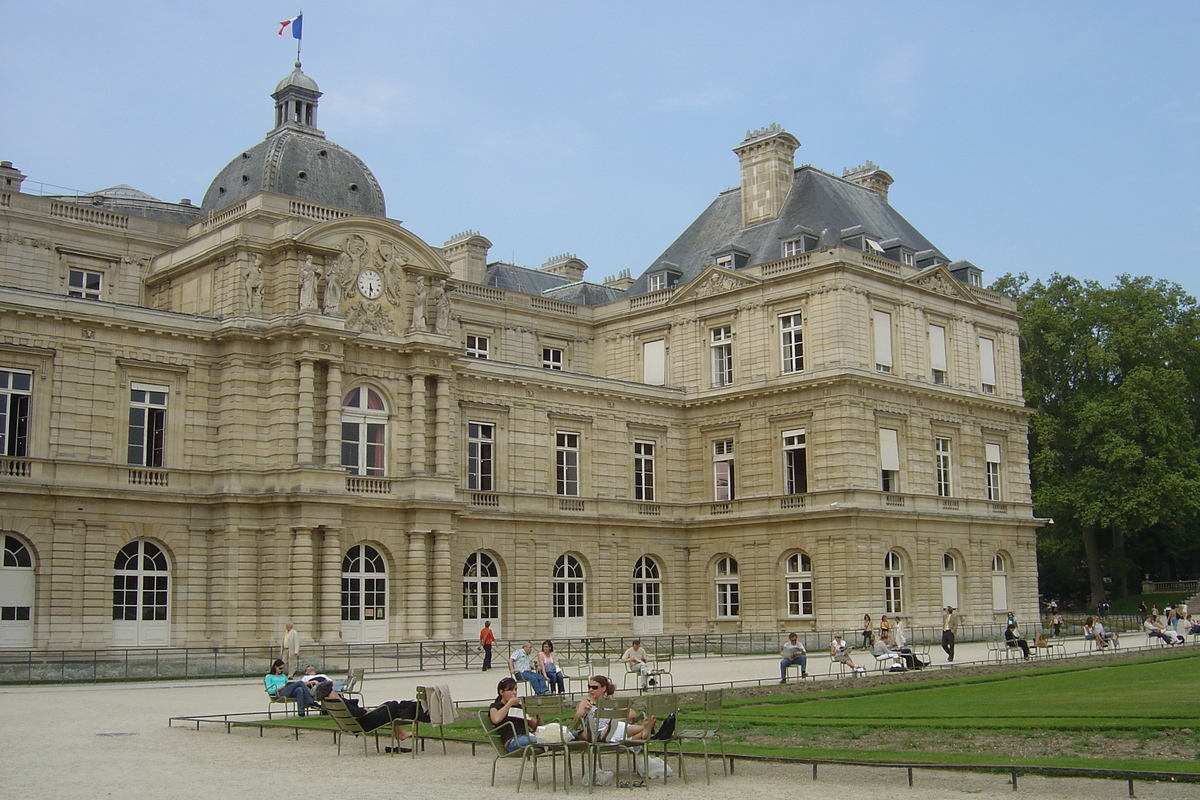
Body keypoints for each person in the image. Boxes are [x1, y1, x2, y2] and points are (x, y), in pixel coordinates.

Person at [313, 680, 419, 752]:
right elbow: (358, 713)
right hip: (366, 722)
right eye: (332, 690)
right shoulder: (339, 701)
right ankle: (401, 733)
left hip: (356, 724)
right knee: (393, 705)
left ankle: (400, 733)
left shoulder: (333, 703)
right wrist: (364, 710)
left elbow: (353, 713)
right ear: (329, 693)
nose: (334, 691)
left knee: (388, 704)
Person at [573, 674, 654, 742]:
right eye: (589, 687)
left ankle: (644, 731)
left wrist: (614, 721)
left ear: (603, 688)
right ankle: (646, 730)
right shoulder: (586, 702)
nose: (591, 690)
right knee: (618, 730)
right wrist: (584, 711)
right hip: (595, 732)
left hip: (612, 728)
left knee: (618, 727)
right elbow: (577, 717)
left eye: (594, 687)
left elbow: (632, 714)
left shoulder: (611, 702)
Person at [489, 676, 544, 752]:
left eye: (515, 689)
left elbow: (536, 727)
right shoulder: (496, 706)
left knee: (552, 741)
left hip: (527, 737)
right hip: (512, 741)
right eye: (510, 690)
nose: (514, 693)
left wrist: (538, 716)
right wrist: (509, 704)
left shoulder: (519, 707)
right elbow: (496, 719)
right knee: (543, 741)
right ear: (501, 692)